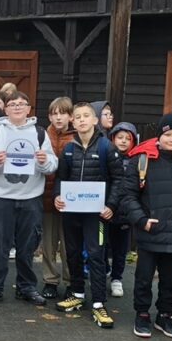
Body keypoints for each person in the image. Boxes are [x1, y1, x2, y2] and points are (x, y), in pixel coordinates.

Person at [0, 91, 56, 307]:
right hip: (1, 198)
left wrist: (43, 160)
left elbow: (52, 165)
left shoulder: (40, 133)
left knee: (27, 247)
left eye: (22, 104)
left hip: (31, 199)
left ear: (29, 108)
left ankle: (26, 287)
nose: (17, 107)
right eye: (12, 104)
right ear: (6, 109)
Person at [120, 114, 172, 339]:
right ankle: (142, 314)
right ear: (159, 135)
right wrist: (142, 220)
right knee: (143, 277)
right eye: (168, 134)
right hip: (150, 231)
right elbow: (128, 196)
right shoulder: (142, 160)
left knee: (171, 279)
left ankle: (165, 315)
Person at [54, 103, 120, 327]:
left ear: (95, 121)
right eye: (78, 117)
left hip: (96, 215)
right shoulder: (69, 149)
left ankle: (99, 303)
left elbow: (119, 179)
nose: (81, 120)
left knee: (96, 255)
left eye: (86, 116)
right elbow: (60, 179)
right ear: (73, 122)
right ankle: (77, 293)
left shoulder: (106, 147)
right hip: (72, 212)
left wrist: (111, 205)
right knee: (72, 252)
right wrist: (57, 197)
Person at [40, 97, 74, 299]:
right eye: (54, 113)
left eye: (62, 113)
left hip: (71, 200)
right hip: (46, 196)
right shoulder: (42, 136)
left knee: (69, 244)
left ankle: (70, 281)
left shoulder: (78, 137)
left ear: (70, 116)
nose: (58, 117)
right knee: (49, 243)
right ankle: (50, 280)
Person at [106, 121, 139, 298]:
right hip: (105, 212)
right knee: (102, 246)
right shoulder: (106, 156)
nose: (124, 141)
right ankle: (104, 268)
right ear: (113, 139)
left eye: (128, 138)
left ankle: (117, 278)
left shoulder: (137, 160)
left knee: (120, 250)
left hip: (125, 215)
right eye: (120, 137)